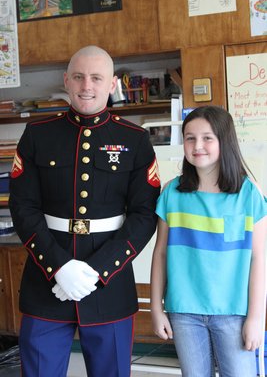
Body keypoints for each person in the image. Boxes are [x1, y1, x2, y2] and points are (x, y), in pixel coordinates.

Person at [9, 45, 161, 377]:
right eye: (78, 77)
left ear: (111, 84)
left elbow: (144, 214)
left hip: (109, 283)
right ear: (66, 80)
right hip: (47, 282)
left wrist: (97, 271)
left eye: (96, 77)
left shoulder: (134, 140)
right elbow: (23, 206)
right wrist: (59, 266)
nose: (86, 86)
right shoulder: (37, 134)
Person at [150, 105, 267, 377]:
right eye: (190, 137)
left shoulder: (249, 193)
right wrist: (157, 309)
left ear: (224, 142)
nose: (197, 145)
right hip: (184, 313)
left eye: (207, 138)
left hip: (234, 314)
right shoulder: (172, 192)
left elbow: (259, 258)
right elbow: (161, 255)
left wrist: (256, 317)